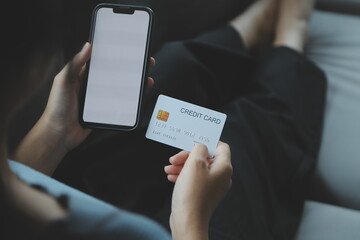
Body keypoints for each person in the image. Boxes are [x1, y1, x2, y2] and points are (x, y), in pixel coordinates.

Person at [1, 1, 326, 240]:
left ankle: (248, 30)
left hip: (52, 180)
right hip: (176, 229)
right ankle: (290, 42)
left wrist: (56, 132)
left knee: (171, 72)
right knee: (250, 139)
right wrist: (190, 218)